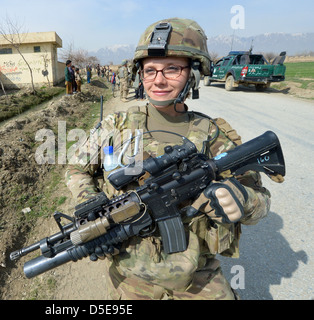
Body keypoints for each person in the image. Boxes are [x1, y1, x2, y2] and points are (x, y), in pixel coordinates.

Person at [65, 18, 275, 300]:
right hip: (129, 275)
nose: (159, 80)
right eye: (150, 70)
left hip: (196, 276)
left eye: (172, 69)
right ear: (140, 75)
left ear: (194, 73)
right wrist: (95, 210)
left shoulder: (212, 134)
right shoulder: (117, 124)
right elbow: (76, 169)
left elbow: (261, 200)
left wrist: (242, 199)